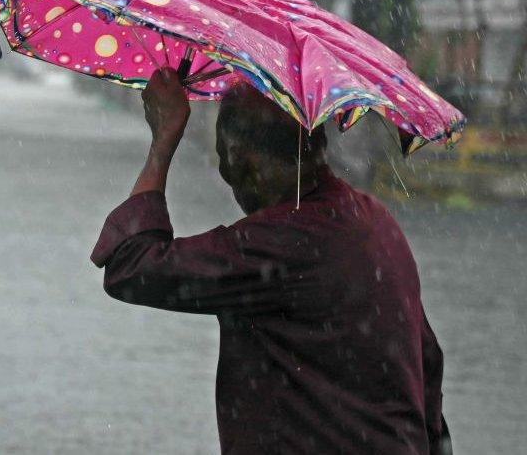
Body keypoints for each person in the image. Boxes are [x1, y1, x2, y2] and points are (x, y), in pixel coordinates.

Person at [91, 67, 450, 454]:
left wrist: (163, 141)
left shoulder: (283, 241)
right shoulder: (376, 222)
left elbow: (133, 267)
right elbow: (426, 365)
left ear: (240, 160)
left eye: (227, 170)